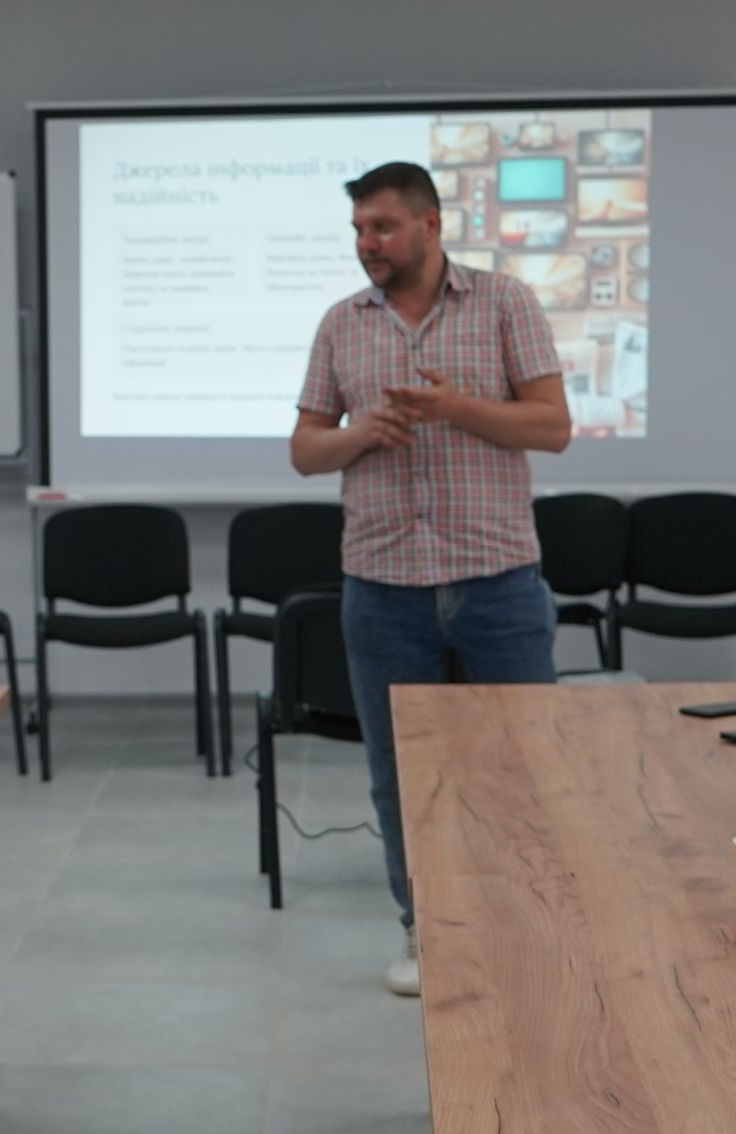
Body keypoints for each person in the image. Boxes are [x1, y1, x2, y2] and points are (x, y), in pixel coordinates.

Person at [286, 160, 573, 997]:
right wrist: (362, 431)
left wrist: (456, 409)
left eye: (381, 226)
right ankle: (426, 933)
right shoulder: (342, 324)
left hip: (497, 581)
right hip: (382, 587)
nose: (367, 243)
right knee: (400, 775)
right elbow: (305, 450)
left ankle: (529, 926)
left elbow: (553, 426)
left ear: (430, 224)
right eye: (358, 230)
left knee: (520, 769)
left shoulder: (505, 302)